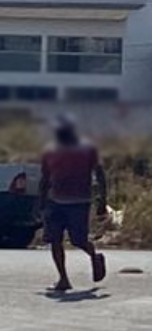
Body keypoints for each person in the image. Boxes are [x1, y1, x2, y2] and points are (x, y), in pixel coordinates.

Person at [39, 115, 106, 293]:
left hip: (79, 201)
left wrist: (102, 200)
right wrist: (41, 202)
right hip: (55, 201)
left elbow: (100, 173)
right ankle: (63, 279)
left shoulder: (87, 149)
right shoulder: (50, 151)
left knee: (79, 240)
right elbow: (45, 177)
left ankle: (94, 256)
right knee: (54, 240)